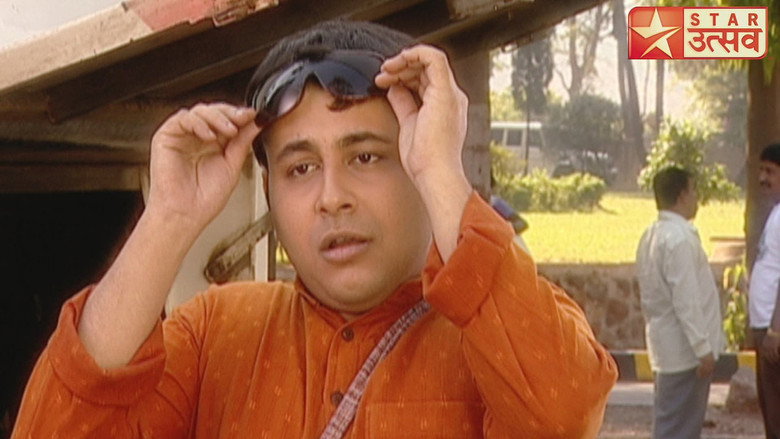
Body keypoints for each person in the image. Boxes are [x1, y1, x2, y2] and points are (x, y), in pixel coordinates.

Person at [12, 20, 616, 438]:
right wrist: (168, 217)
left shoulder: (494, 336)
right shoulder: (216, 332)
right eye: (300, 169)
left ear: (416, 160)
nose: (331, 197)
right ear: (270, 194)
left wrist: (443, 172)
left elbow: (561, 417)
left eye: (366, 156)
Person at [636, 167, 724, 439]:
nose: (696, 197)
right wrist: (702, 348)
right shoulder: (679, 239)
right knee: (679, 429)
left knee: (673, 424)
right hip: (686, 352)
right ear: (683, 194)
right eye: (693, 190)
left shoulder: (651, 236)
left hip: (666, 347)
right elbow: (687, 300)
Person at [749, 143, 780, 439]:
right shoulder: (775, 213)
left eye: (770, 171)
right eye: (761, 171)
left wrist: (775, 329)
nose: (762, 178)